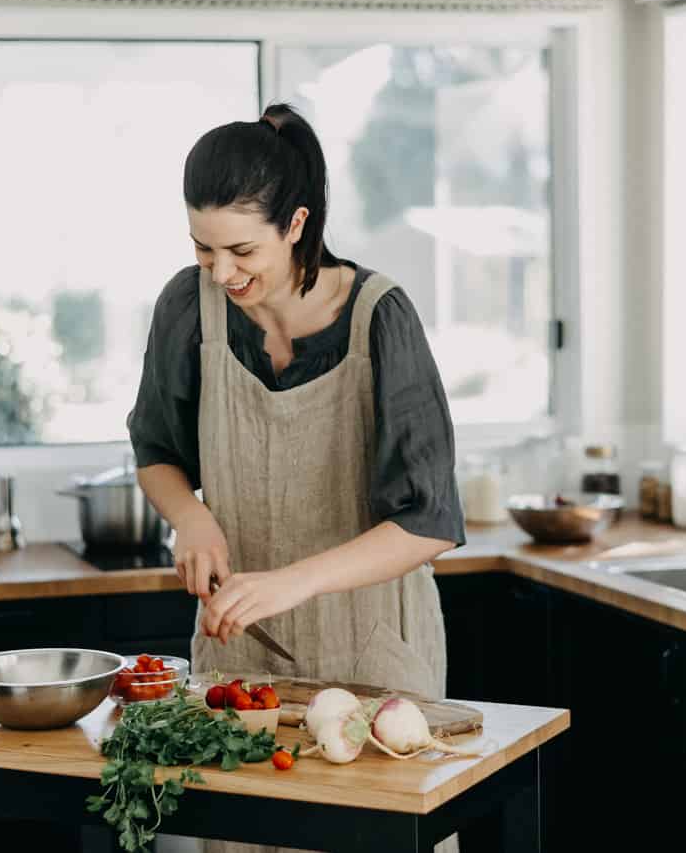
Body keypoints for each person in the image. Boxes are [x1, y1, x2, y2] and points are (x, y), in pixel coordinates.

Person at [128, 103, 465, 853]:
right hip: (240, 658)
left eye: (241, 250)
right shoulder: (190, 306)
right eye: (202, 246)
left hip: (375, 656)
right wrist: (191, 517)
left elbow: (429, 519)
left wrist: (293, 581)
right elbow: (155, 447)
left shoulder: (381, 318)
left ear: (297, 224)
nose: (221, 271)